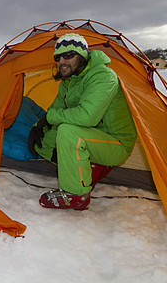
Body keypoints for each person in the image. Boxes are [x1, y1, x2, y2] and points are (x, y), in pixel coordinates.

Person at [28, 33, 137, 210]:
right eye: (58, 57)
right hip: (93, 137)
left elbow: (87, 117)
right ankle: (86, 168)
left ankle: (76, 194)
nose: (62, 61)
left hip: (115, 143)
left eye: (69, 55)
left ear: (82, 56)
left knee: (67, 131)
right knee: (45, 140)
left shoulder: (103, 76)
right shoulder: (68, 81)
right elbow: (54, 110)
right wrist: (37, 127)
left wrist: (50, 118)